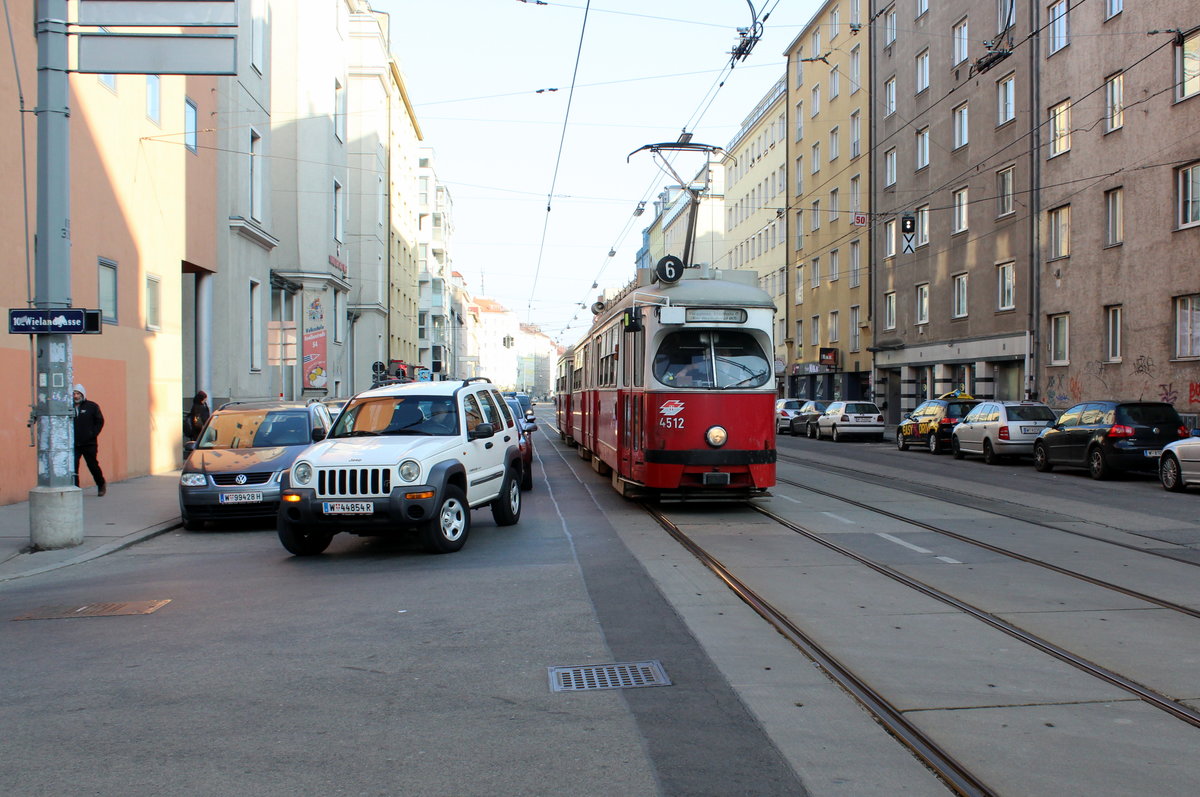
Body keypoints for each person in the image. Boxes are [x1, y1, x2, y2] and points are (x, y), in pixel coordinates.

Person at [73, 384, 106, 496]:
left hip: (89, 443)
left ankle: (101, 484)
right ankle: (75, 489)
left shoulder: (92, 407)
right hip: (74, 444)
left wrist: (92, 434)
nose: (76, 396)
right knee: (73, 467)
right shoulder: (69, 408)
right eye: (74, 393)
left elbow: (100, 421)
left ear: (83, 394)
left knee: (92, 465)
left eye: (78, 394)